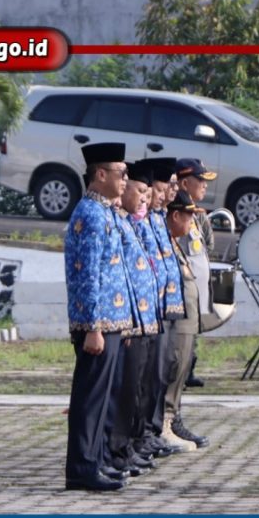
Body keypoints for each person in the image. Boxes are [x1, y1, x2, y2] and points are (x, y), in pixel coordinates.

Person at [64, 142, 137, 491]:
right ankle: (82, 468)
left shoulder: (106, 212)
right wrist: (93, 326)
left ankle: (93, 462)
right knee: (90, 400)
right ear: (101, 174)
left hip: (111, 320)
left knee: (101, 399)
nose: (126, 179)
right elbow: (88, 274)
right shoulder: (91, 214)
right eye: (121, 173)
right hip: (96, 323)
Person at [106, 170, 161, 477]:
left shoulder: (130, 222)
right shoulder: (112, 219)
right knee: (122, 390)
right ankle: (116, 451)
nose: (144, 198)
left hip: (141, 316)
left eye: (146, 193)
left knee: (136, 388)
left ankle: (126, 447)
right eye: (140, 191)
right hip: (123, 318)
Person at [139, 159, 193, 454]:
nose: (166, 194)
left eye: (168, 188)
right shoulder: (144, 219)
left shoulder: (157, 218)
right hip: (150, 310)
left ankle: (153, 430)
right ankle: (145, 434)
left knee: (161, 373)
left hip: (166, 307)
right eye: (161, 189)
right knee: (147, 378)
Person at [162, 190, 208, 449]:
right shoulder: (164, 240)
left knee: (181, 369)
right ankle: (165, 423)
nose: (192, 222)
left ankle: (172, 419)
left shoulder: (175, 240)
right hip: (175, 318)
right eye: (188, 217)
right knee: (173, 368)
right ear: (175, 216)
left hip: (187, 316)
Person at [175, 158, 216, 389]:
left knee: (193, 328)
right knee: (181, 331)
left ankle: (188, 369)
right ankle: (180, 372)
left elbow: (208, 244)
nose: (205, 185)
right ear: (184, 183)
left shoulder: (199, 214)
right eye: (200, 180)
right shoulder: (175, 212)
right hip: (180, 285)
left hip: (196, 285)